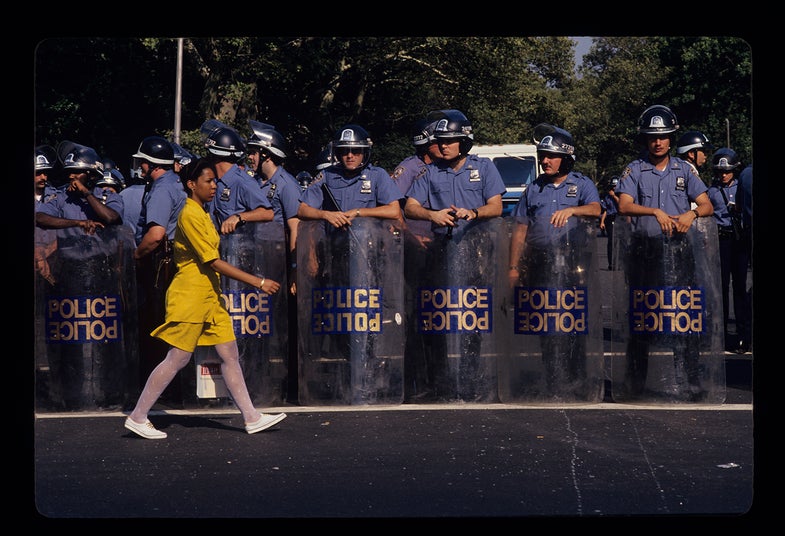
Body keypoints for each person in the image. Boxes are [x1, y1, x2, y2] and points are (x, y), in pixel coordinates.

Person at [124, 159, 286, 439]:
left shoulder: (202, 212)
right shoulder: (189, 214)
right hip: (190, 295)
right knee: (177, 358)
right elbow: (212, 261)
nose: (214, 186)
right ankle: (138, 416)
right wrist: (258, 282)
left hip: (210, 296)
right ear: (191, 185)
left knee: (229, 355)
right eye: (208, 181)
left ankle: (251, 417)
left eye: (214, 181)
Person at [404, 109, 506, 401]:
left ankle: (472, 376)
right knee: (438, 317)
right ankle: (440, 379)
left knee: (471, 318)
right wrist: (432, 215)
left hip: (476, 253)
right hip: (439, 253)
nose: (443, 145)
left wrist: (473, 213)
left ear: (465, 141)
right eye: (440, 141)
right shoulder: (429, 172)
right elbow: (410, 206)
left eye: (450, 140)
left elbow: (496, 207)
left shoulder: (484, 168)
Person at [615, 105, 714, 400]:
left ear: (671, 138)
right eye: (652, 137)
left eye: (663, 137)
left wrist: (691, 215)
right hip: (645, 252)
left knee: (683, 315)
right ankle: (635, 385)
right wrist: (654, 210)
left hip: (679, 251)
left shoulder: (685, 170)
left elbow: (707, 204)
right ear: (645, 140)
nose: (657, 142)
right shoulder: (634, 169)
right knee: (642, 317)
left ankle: (690, 382)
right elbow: (623, 204)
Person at [507, 124, 601, 397]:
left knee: (573, 322)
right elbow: (521, 229)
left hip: (573, 263)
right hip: (539, 262)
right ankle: (553, 377)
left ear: (566, 158)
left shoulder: (582, 184)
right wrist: (513, 267)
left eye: (550, 156)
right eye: (542, 156)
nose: (544, 161)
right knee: (545, 322)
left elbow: (596, 210)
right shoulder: (533, 189)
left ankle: (577, 377)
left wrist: (573, 210)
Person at [131, 136, 188, 395]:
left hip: (162, 265)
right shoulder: (175, 183)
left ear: (152, 164)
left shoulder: (162, 188)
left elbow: (155, 235)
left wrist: (136, 254)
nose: (140, 166)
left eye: (143, 162)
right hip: (176, 263)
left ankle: (160, 388)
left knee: (155, 324)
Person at [246, 121, 302, 294]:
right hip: (257, 257)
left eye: (254, 153)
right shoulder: (254, 182)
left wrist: (295, 268)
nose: (249, 157)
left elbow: (295, 227)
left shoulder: (287, 185)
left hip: (278, 258)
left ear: (267, 155)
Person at [707, 148, 751, 354]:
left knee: (740, 288)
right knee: (721, 288)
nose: (723, 175)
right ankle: (722, 335)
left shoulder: (741, 186)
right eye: (719, 171)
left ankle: (743, 335)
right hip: (721, 239)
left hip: (739, 239)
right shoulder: (711, 191)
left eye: (727, 171)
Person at [201, 120, 274, 235]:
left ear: (216, 157)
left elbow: (267, 213)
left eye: (208, 154)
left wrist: (239, 217)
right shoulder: (214, 181)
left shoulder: (243, 182)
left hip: (237, 249)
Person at [35, 141, 122, 231]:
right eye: (69, 172)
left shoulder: (109, 196)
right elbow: (39, 217)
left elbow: (112, 218)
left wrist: (86, 192)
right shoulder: (62, 197)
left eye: (76, 172)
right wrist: (78, 223)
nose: (71, 176)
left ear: (92, 175)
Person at [390, 117, 442, 237]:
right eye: (438, 142)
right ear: (425, 144)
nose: (444, 145)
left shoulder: (443, 167)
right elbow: (392, 205)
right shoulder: (409, 168)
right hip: (416, 238)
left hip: (437, 236)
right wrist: (408, 235)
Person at [599, 176, 620, 270]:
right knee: (611, 241)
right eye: (613, 186)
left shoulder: (621, 195)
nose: (614, 188)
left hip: (619, 218)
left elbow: (622, 205)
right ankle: (611, 263)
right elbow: (605, 210)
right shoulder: (607, 196)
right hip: (610, 218)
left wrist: (614, 196)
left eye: (616, 186)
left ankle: (620, 262)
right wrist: (602, 222)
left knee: (620, 242)